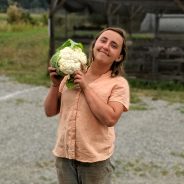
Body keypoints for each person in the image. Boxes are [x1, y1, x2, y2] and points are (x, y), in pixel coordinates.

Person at [44, 27, 130, 184]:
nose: (106, 46)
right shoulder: (72, 72)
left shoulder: (118, 84)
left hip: (95, 162)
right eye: (103, 40)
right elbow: (50, 111)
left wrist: (86, 87)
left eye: (113, 45)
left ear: (119, 57)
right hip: (64, 157)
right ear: (94, 44)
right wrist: (55, 85)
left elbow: (110, 118)